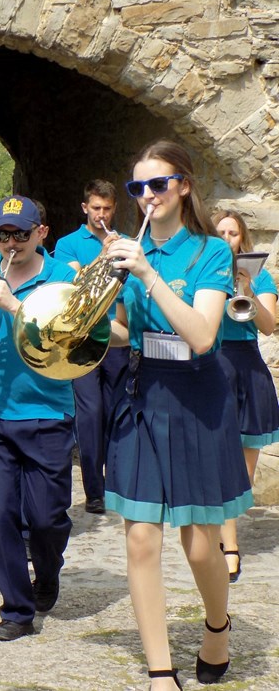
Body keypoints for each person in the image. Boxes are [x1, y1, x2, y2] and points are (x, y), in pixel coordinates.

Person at [104, 140, 253, 690]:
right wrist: (89, 324)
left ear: (183, 186)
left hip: (198, 398)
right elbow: (126, 333)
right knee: (141, 538)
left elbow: (202, 335)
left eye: (158, 184)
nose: (146, 196)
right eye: (136, 188)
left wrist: (146, 275)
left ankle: (218, 625)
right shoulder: (127, 250)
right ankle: (159, 671)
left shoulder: (211, 252)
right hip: (144, 395)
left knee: (198, 543)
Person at [0, 195, 77, 641]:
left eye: (21, 233)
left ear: (42, 233)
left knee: (46, 519)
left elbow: (72, 341)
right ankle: (16, 610)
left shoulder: (63, 279)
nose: (11, 242)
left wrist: (15, 307)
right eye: (3, 234)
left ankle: (49, 570)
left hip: (47, 411)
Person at [53, 180, 130, 515]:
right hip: (82, 337)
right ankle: (94, 491)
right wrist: (104, 254)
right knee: (90, 414)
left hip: (116, 336)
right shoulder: (67, 244)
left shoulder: (128, 243)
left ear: (114, 209)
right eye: (96, 209)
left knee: (116, 412)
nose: (102, 215)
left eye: (107, 209)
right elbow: (74, 283)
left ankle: (115, 484)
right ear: (85, 208)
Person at [213, 209, 279, 582]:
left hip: (247, 368)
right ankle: (230, 546)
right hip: (213, 367)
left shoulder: (262, 276)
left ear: (243, 239)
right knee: (220, 461)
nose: (226, 238)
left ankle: (227, 536)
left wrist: (248, 291)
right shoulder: (204, 274)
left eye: (232, 233)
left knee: (243, 473)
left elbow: (269, 327)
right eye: (219, 231)